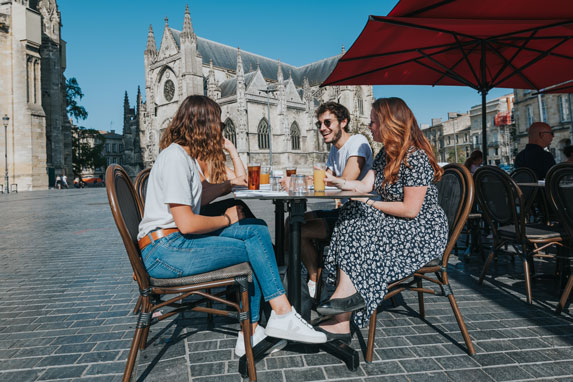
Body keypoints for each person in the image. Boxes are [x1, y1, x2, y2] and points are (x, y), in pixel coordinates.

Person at [137, 95, 326, 357]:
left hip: (171, 245)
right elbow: (188, 224)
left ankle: (256, 328)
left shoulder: (184, 157)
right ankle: (276, 317)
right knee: (253, 244)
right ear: (203, 124)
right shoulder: (175, 159)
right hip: (165, 252)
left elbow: (199, 197)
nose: (221, 129)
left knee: (256, 229)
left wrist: (229, 185)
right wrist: (227, 219)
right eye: (217, 123)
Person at [316, 97, 448, 343]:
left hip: (420, 231)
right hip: (394, 221)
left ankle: (344, 301)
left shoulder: (415, 156)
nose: (369, 126)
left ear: (390, 123)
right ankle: (345, 302)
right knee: (351, 215)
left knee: (357, 215)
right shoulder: (385, 154)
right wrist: (339, 182)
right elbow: (364, 185)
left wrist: (370, 203)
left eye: (374, 121)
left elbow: (410, 210)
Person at [284, 102, 373, 299]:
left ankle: (314, 279)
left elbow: (347, 181)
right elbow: (323, 180)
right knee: (291, 222)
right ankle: (310, 274)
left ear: (343, 122)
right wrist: (296, 180)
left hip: (359, 217)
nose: (322, 128)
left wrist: (322, 180)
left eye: (327, 122)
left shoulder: (358, 142)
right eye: (319, 124)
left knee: (298, 230)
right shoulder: (335, 149)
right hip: (344, 211)